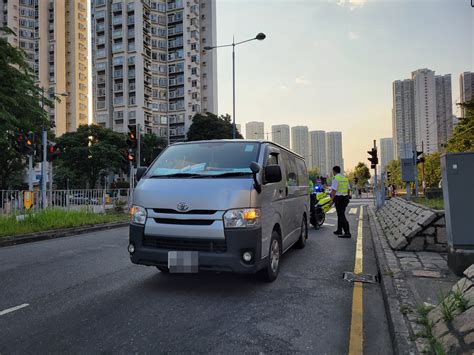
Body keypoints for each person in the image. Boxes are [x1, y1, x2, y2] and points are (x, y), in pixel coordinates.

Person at [330, 166, 351, 238]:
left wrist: (331, 200)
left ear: (334, 171)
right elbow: (348, 189)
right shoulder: (345, 178)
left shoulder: (335, 178)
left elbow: (334, 190)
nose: (332, 173)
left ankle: (347, 232)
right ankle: (339, 230)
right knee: (340, 214)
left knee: (341, 215)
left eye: (333, 171)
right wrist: (348, 197)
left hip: (339, 199)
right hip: (345, 199)